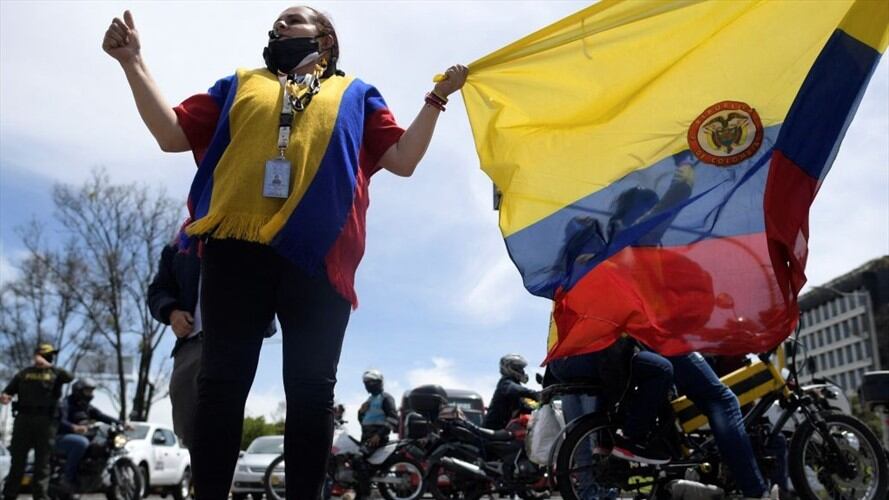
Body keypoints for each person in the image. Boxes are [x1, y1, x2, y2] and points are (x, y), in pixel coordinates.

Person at [102, 6, 467, 498]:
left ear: (325, 39)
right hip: (236, 249)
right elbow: (171, 133)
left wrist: (437, 98)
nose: (279, 26)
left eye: (292, 19)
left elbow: (402, 159)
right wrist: (132, 62)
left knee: (311, 391)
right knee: (220, 386)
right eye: (275, 23)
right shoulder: (238, 84)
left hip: (319, 255)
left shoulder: (356, 94)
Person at [547, 338, 674, 465]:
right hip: (593, 355)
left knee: (618, 379)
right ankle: (634, 438)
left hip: (560, 362)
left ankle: (606, 440)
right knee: (661, 369)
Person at [148, 239, 202, 451]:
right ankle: (201, 481)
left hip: (232, 342)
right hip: (190, 345)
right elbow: (158, 290)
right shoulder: (180, 245)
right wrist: (171, 312)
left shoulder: (243, 223)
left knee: (221, 421)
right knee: (188, 423)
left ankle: (219, 482)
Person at [0, 343, 73, 500]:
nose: (49, 357)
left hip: (46, 422)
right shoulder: (24, 374)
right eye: (47, 354)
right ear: (38, 354)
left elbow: (70, 377)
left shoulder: (56, 373)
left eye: (51, 355)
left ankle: (40, 496)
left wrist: (49, 366)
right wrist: (5, 396)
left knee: (43, 462)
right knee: (18, 460)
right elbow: (8, 391)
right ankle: (9, 495)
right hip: (24, 420)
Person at [55, 379, 123, 491]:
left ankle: (97, 475)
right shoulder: (65, 404)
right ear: (78, 391)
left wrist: (122, 423)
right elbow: (60, 421)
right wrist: (74, 427)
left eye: (91, 391)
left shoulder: (86, 406)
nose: (91, 395)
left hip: (81, 435)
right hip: (62, 437)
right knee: (81, 443)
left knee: (103, 444)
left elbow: (101, 416)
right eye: (88, 391)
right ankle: (67, 478)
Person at [483, 354, 540, 430]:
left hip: (504, 430)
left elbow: (526, 406)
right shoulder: (505, 384)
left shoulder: (516, 387)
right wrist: (536, 394)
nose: (522, 371)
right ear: (508, 368)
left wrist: (540, 406)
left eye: (522, 368)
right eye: (518, 368)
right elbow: (515, 389)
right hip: (493, 430)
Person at [357, 369, 398, 450]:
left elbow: (393, 419)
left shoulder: (385, 398)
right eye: (366, 383)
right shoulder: (369, 400)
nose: (367, 385)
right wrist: (361, 412)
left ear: (378, 382)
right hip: (366, 438)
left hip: (377, 440)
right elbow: (363, 420)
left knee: (358, 459)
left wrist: (379, 435)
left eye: (370, 382)